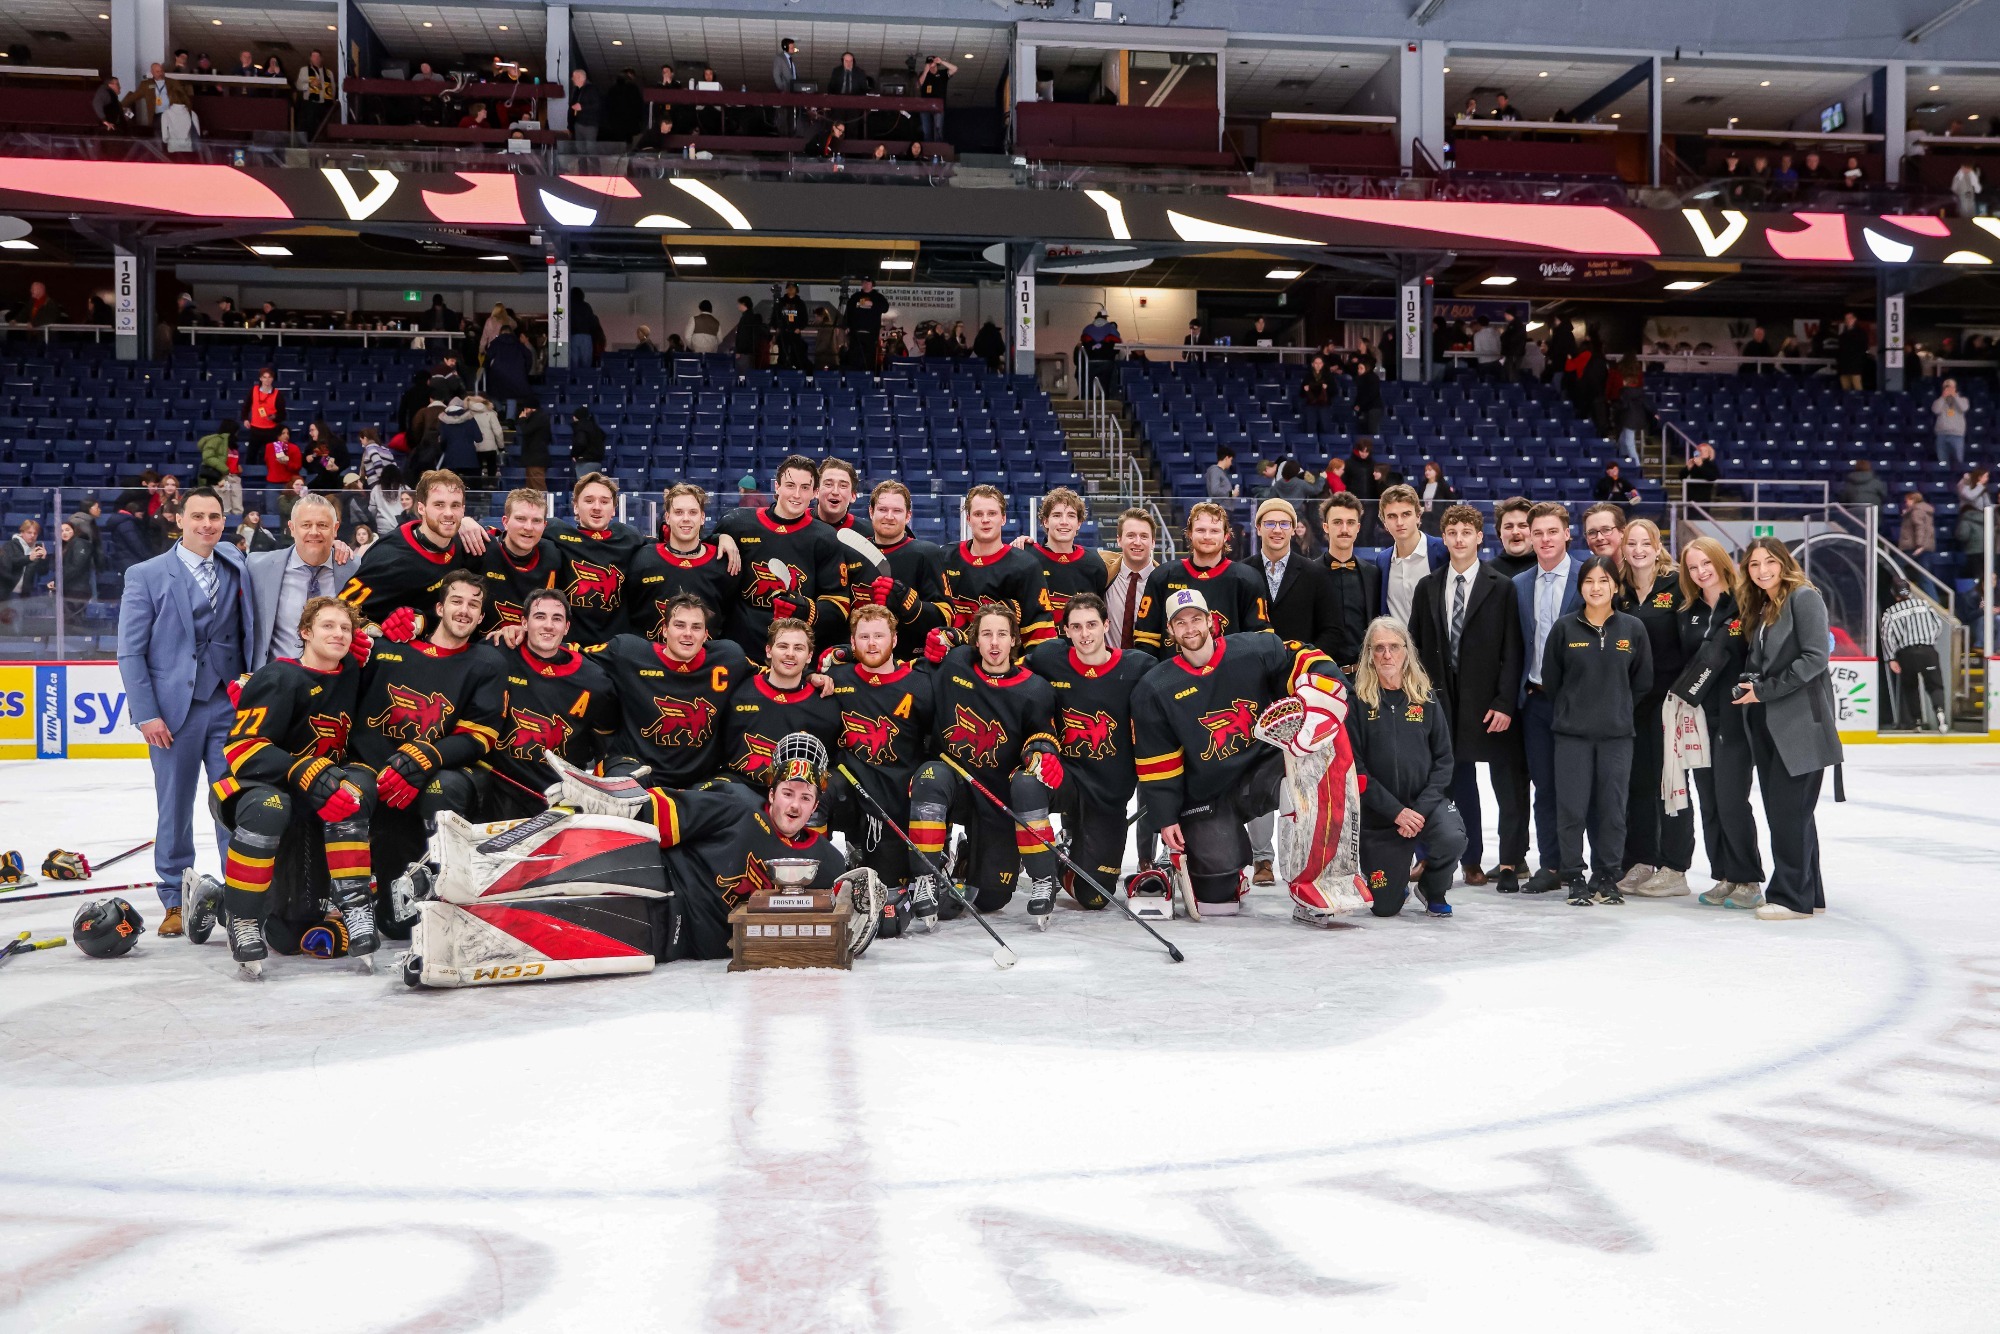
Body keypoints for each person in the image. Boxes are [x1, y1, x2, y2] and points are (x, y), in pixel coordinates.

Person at [1131, 589, 1348, 917]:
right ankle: (1225, 874)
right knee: (1216, 903)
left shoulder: (1255, 650)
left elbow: (1304, 656)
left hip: (1263, 772)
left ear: (1210, 621)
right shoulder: (1155, 688)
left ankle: (1316, 875)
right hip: (1207, 794)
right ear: (1171, 631)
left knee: (1320, 748)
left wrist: (1321, 688)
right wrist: (1166, 818)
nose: (1190, 628)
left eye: (1196, 619)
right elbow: (1158, 763)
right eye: (1180, 623)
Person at [195, 596, 378, 977]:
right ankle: (240, 919)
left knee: (351, 793)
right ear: (305, 632)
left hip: (307, 789)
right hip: (253, 788)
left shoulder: (351, 674)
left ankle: (356, 907)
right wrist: (301, 768)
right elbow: (241, 750)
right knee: (270, 807)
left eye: (345, 628)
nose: (339, 634)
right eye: (328, 626)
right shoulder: (278, 676)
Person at [116, 487, 255, 935]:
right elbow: (130, 653)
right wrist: (146, 714)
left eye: (214, 516)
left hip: (229, 706)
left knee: (231, 804)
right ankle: (175, 898)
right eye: (197, 516)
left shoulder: (236, 561)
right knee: (173, 807)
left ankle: (239, 895)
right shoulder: (146, 574)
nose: (206, 525)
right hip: (172, 713)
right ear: (179, 519)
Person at [902, 601, 1062, 925]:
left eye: (1002, 634)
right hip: (955, 782)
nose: (993, 643)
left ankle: (1040, 877)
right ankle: (924, 877)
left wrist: (1040, 754)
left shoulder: (1035, 688)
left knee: (991, 898)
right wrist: (944, 639)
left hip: (997, 795)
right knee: (929, 776)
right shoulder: (956, 664)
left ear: (1014, 640)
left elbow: (1041, 735)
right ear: (976, 640)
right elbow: (916, 669)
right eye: (986, 634)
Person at [1410, 504, 1524, 892]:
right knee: (1452, 784)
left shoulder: (1501, 586)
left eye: (1466, 532)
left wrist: (1505, 701)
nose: (1459, 539)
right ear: (1444, 538)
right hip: (1443, 701)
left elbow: (1514, 650)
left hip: (1489, 703)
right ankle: (1460, 859)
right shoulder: (1429, 586)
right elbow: (1417, 647)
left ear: (1479, 537)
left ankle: (1506, 860)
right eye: (1452, 532)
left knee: (1503, 784)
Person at [1733, 538, 1843, 920]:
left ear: (1784, 563)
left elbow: (1815, 657)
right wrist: (1751, 681)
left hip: (1800, 725)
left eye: (1769, 562)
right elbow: (1764, 661)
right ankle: (1807, 892)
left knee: (1788, 813)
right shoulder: (1766, 605)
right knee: (1792, 813)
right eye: (1753, 564)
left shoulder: (1803, 597)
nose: (1762, 570)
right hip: (1770, 723)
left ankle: (1791, 898)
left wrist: (1764, 690)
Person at [1541, 555, 1652, 906]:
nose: (1596, 587)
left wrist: (1616, 709)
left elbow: (1642, 682)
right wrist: (1576, 710)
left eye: (1603, 580)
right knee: (1571, 808)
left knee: (1612, 810)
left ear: (1615, 586)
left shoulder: (1633, 629)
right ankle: (1574, 875)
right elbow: (1552, 680)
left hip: (1617, 736)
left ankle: (1607, 875)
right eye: (1589, 581)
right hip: (1572, 736)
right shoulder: (1564, 628)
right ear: (1581, 587)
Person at [1349, 617, 1464, 918]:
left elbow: (1444, 760)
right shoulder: (1357, 702)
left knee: (1452, 837)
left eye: (1394, 647)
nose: (1387, 655)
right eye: (1379, 648)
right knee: (1384, 908)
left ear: (1406, 652)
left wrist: (1421, 809)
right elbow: (1356, 769)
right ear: (1370, 655)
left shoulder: (1425, 699)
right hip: (1381, 815)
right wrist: (1396, 812)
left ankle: (1432, 887)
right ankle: (1395, 882)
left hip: (1425, 806)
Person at [478, 589, 619, 821]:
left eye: (557, 619)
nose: (548, 625)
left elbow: (605, 745)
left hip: (558, 797)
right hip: (499, 785)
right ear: (524, 622)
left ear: (566, 627)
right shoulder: (496, 652)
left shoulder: (595, 680)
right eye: (539, 616)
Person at [1614, 519, 1692, 898]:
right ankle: (1643, 860)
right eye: (1632, 543)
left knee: (1672, 784)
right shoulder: (1621, 590)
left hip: (1671, 703)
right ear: (1624, 548)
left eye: (1647, 542)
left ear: (1658, 546)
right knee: (1638, 784)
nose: (1639, 549)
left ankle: (1675, 867)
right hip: (1633, 704)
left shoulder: (1677, 585)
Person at [714, 455, 852, 657]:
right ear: (777, 486)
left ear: (814, 492)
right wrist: (718, 537)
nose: (797, 494)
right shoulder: (736, 523)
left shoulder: (825, 537)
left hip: (794, 653)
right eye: (790, 485)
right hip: (741, 651)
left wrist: (807, 610)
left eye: (805, 487)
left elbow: (839, 606)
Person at [1514, 501, 1583, 894]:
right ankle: (1552, 864)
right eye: (1537, 532)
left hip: (1579, 701)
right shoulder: (1520, 584)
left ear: (1567, 533)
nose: (1544, 539)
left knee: (1580, 787)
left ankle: (1581, 864)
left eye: (1552, 531)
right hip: (1536, 701)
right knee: (1545, 788)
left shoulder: (1589, 576)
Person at [1134, 502, 1269, 651]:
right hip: (1174, 672)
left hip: (1228, 672)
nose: (1207, 536)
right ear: (1190, 534)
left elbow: (1260, 641)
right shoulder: (1163, 576)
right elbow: (1146, 639)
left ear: (1225, 536)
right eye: (1200, 530)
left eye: (1214, 531)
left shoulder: (1248, 579)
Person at [245, 493, 358, 669]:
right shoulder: (257, 567)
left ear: (335, 529)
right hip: (276, 682)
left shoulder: (355, 569)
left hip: (337, 683)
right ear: (292, 528)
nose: (314, 532)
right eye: (306, 525)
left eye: (323, 525)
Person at [625, 482, 741, 639]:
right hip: (652, 659)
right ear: (667, 517)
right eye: (678, 512)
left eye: (693, 512)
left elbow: (732, 619)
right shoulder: (644, 559)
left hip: (705, 660)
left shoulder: (722, 562)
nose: (686, 519)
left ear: (702, 517)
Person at [1318, 493, 1381, 673]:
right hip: (1320, 675)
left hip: (1365, 676)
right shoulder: (1309, 573)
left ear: (1358, 527)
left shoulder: (1372, 574)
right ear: (1326, 527)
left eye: (1350, 522)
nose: (1344, 529)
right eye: (1337, 522)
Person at [1882, 579, 1949, 733]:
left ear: (1894, 594)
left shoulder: (1891, 612)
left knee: (1911, 687)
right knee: (1935, 686)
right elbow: (1938, 625)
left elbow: (1887, 636)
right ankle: (1940, 712)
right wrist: (1930, 639)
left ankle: (1917, 721)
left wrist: (1891, 658)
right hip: (1927, 650)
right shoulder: (1924, 605)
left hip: (1907, 653)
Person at [1373, 485, 1447, 624]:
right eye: (1392, 516)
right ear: (1384, 523)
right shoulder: (1382, 560)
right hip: (1398, 643)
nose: (1399, 522)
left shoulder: (1443, 550)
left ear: (1418, 516)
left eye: (1406, 514)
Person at [1104, 507, 1157, 654]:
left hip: (1149, 667)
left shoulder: (1163, 582)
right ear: (1119, 540)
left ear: (1153, 542)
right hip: (1107, 667)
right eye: (1131, 535)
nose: (1137, 542)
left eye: (1144, 536)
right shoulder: (1103, 571)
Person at [241, 365, 286, 462]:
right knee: (251, 456)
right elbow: (246, 406)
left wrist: (275, 417)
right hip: (255, 429)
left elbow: (283, 414)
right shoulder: (253, 390)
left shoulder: (278, 394)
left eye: (269, 377)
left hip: (271, 430)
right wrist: (245, 419)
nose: (267, 380)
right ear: (260, 378)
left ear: (273, 379)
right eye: (264, 377)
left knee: (273, 458)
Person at [843, 279, 886, 371]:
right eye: (864, 282)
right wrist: (846, 325)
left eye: (868, 282)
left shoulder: (878, 297)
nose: (866, 284)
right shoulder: (855, 297)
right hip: (855, 333)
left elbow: (885, 307)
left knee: (869, 358)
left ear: (872, 284)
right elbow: (849, 311)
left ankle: (868, 377)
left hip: (871, 334)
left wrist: (872, 304)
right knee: (854, 357)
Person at [1489, 496, 1536, 579]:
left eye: (1522, 526)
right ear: (1500, 532)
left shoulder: (1548, 569)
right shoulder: (1485, 572)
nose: (1515, 532)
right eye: (1508, 527)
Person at [917, 55, 957, 144]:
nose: (931, 64)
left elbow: (954, 69)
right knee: (926, 130)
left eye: (933, 62)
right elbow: (918, 85)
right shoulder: (924, 74)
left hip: (938, 106)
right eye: (929, 62)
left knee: (938, 129)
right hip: (925, 106)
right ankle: (927, 150)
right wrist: (925, 71)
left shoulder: (942, 74)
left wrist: (941, 61)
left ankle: (937, 150)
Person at [295, 50, 334, 138]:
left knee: (323, 128)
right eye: (313, 56)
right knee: (309, 127)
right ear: (310, 58)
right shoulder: (304, 70)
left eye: (318, 56)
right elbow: (298, 86)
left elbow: (333, 89)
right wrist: (310, 85)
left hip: (325, 104)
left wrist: (332, 100)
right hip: (310, 104)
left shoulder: (328, 73)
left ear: (321, 58)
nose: (316, 58)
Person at [772, 282, 810, 371]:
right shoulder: (780, 302)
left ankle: (796, 370)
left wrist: (800, 328)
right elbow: (775, 316)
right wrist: (776, 327)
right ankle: (781, 369)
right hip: (783, 332)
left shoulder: (800, 303)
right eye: (788, 287)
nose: (790, 289)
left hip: (795, 332)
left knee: (796, 352)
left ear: (796, 290)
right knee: (782, 352)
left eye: (793, 288)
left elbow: (804, 318)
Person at [1934, 378, 1970, 467]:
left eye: (1951, 387)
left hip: (1957, 435)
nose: (1948, 389)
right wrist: (1943, 397)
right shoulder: (1939, 400)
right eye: (1946, 387)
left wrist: (1955, 396)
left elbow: (1964, 408)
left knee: (1958, 461)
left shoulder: (1963, 399)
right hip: (1942, 434)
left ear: (1955, 388)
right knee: (1942, 462)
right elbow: (1935, 410)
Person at [1300, 356, 1337, 442]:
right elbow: (1301, 393)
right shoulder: (1308, 376)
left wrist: (1327, 388)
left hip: (1324, 405)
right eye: (1316, 363)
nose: (1318, 365)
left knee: (1325, 427)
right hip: (1311, 405)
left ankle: (1325, 447)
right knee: (1310, 428)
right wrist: (1305, 390)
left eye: (1320, 363)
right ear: (1312, 364)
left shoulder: (1328, 376)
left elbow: (1335, 391)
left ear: (1323, 364)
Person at [1416, 461, 1456, 533]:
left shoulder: (1443, 485)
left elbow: (1451, 500)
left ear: (1436, 472)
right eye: (1426, 470)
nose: (1427, 472)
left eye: (1430, 470)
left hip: (1438, 518)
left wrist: (1445, 513)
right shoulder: (1423, 485)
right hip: (1425, 517)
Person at [567, 68, 602, 147]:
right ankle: (582, 160)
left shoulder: (592, 89)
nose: (572, 79)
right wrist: (570, 125)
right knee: (580, 149)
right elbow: (572, 108)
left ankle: (592, 160)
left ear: (580, 77)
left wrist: (582, 107)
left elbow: (597, 105)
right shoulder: (577, 90)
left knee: (590, 150)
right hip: (578, 123)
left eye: (574, 77)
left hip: (589, 125)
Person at [731, 295, 767, 373]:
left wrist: (739, 350)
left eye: (739, 304)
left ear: (744, 304)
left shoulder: (745, 319)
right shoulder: (753, 317)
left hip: (744, 351)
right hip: (751, 350)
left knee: (742, 371)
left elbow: (742, 336)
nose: (738, 306)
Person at [1836, 311, 1870, 392]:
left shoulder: (1861, 333)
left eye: (1849, 318)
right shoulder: (1843, 335)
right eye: (1846, 319)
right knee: (1845, 389)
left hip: (1855, 366)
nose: (1847, 320)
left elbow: (1863, 348)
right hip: (1844, 367)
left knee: (1857, 388)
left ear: (1855, 319)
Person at [1900, 489, 1937, 559]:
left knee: (1896, 565)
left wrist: (1919, 545)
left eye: (1907, 501)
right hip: (1926, 545)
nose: (1905, 503)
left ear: (1913, 500)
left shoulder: (1916, 511)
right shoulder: (1924, 510)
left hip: (1914, 546)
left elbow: (1920, 528)